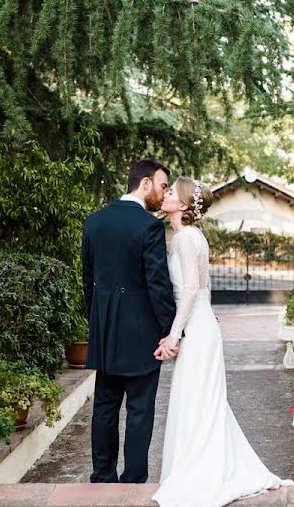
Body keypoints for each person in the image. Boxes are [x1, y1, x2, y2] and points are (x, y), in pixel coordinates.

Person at [152, 177, 293, 507]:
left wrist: (174, 334)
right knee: (200, 401)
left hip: (197, 330)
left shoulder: (186, 238)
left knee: (198, 401)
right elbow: (203, 290)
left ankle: (201, 472)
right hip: (202, 325)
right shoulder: (191, 236)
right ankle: (201, 466)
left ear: (184, 205)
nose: (166, 194)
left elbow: (189, 290)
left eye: (171, 191)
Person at [81, 158, 179, 484]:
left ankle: (102, 478)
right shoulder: (149, 226)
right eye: (163, 185)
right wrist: (170, 330)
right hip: (141, 336)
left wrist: (98, 324)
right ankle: (133, 480)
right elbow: (158, 285)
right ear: (146, 183)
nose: (164, 194)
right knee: (139, 411)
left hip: (105, 333)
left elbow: (88, 282)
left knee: (105, 408)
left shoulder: (94, 223)